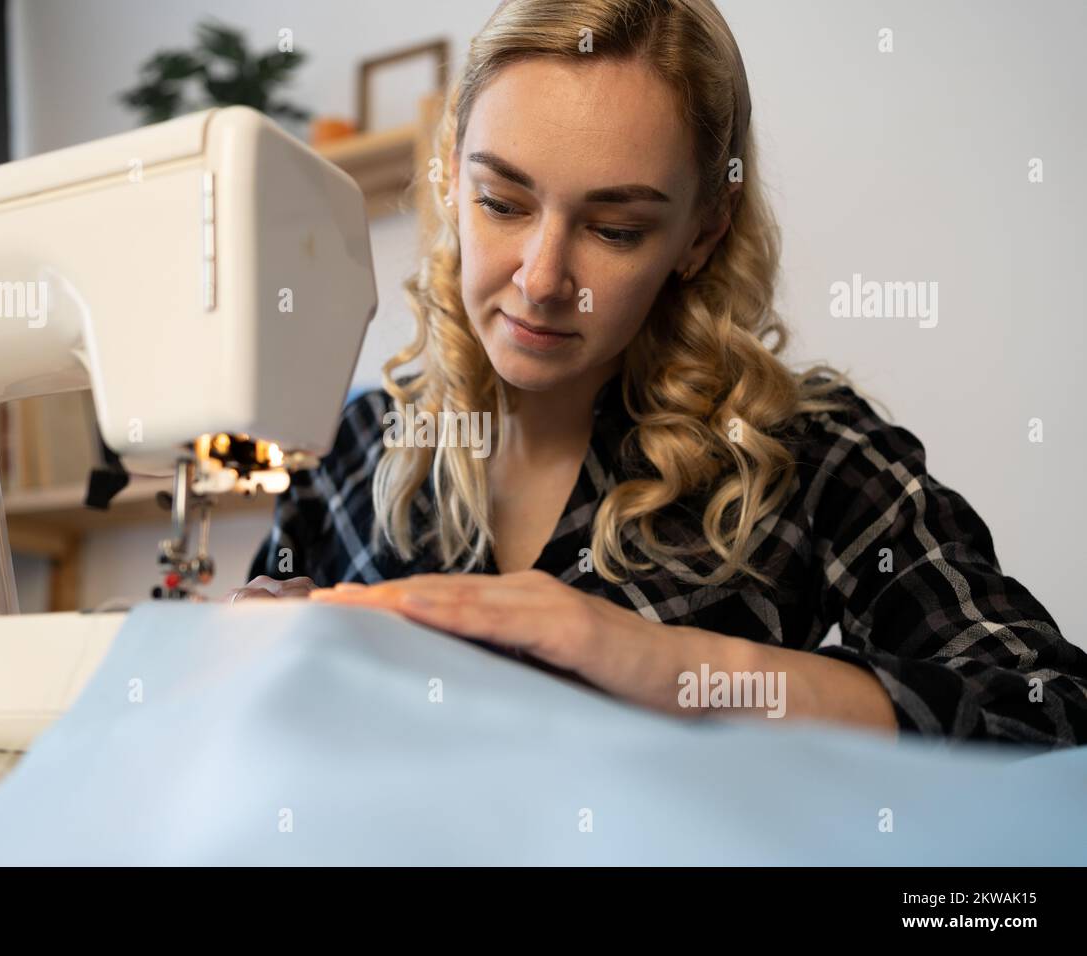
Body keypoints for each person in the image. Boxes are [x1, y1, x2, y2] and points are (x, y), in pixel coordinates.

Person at [231, 0, 1087, 747]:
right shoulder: (355, 455)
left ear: (702, 235)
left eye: (615, 229)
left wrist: (688, 673)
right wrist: (244, 669)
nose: (540, 278)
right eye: (502, 203)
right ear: (452, 176)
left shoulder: (810, 458)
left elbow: (1052, 705)